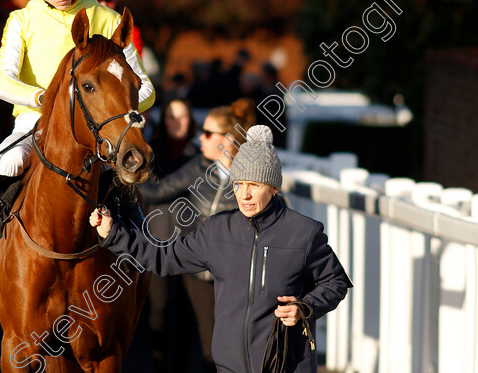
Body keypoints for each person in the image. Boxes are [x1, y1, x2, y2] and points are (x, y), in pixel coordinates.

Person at [91, 124, 353, 373]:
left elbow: (336, 282)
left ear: (273, 188)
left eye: (254, 185)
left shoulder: (304, 233)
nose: (244, 195)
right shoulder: (217, 230)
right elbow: (164, 257)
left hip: (287, 364)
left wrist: (304, 307)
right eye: (238, 184)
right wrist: (114, 234)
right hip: (229, 366)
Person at [0, 0, 156, 254]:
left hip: (98, 124)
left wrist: (115, 109)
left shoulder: (108, 18)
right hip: (36, 120)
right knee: (8, 160)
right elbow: (3, 83)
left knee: (123, 163)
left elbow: (147, 87)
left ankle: (134, 218)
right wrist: (46, 99)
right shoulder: (21, 20)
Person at [139, 98, 256, 373]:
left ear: (226, 139)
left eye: (207, 133)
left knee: (236, 343)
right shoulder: (199, 167)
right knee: (208, 345)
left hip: (235, 275)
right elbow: (157, 191)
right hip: (201, 275)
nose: (200, 139)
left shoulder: (250, 174)